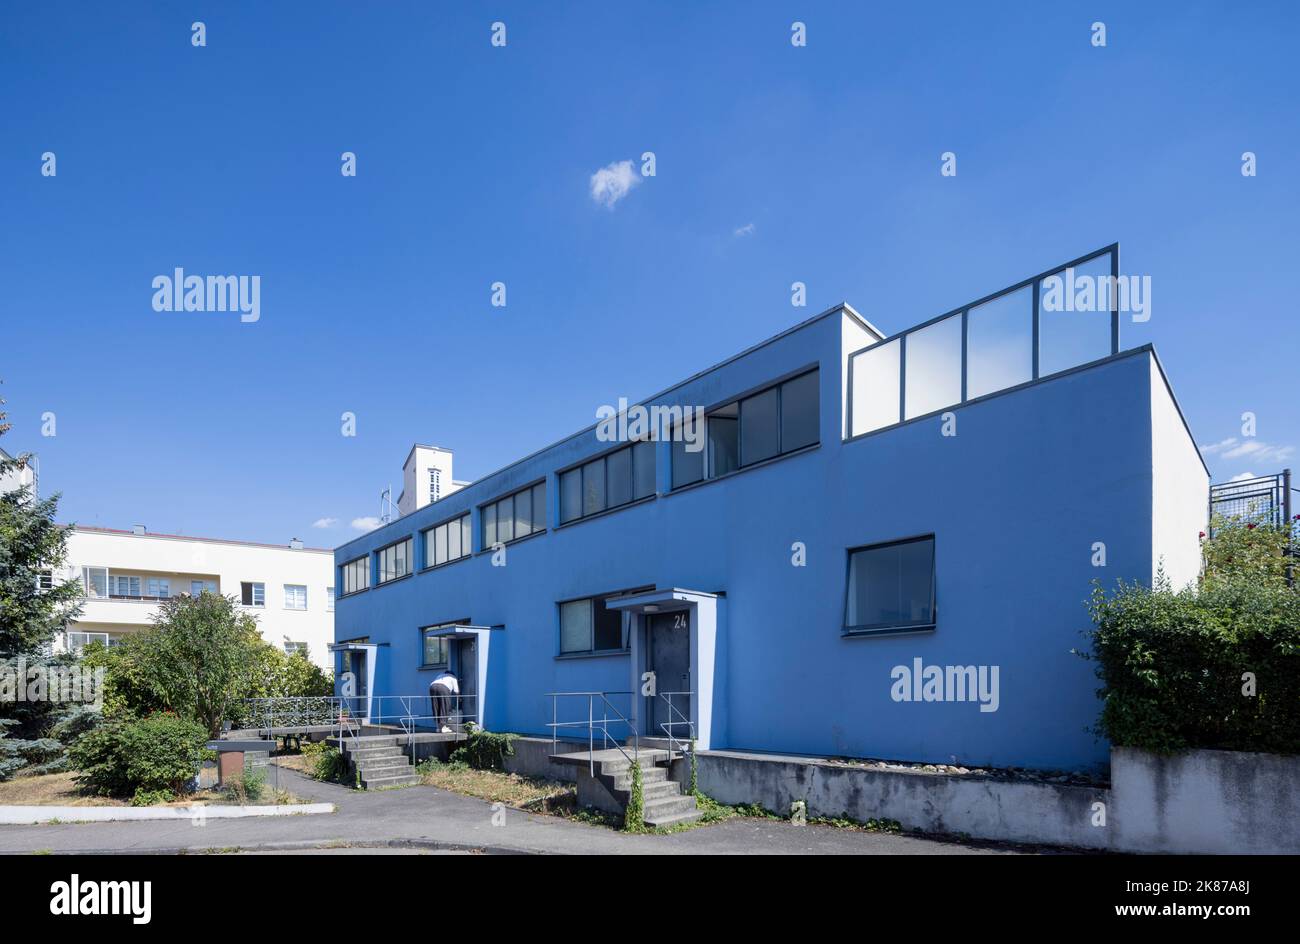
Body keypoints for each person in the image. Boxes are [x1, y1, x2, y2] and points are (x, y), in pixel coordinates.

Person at [429, 668, 459, 734]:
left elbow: (436, 684)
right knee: (444, 706)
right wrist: (459, 698)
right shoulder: (453, 677)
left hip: (432, 687)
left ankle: (438, 728)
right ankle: (443, 728)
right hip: (443, 688)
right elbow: (456, 691)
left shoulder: (440, 675)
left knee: (436, 706)